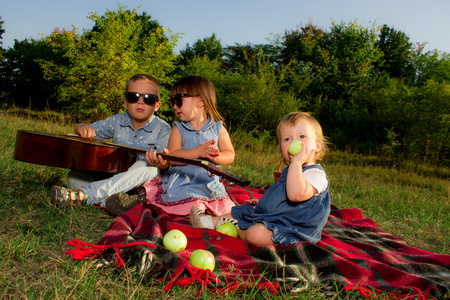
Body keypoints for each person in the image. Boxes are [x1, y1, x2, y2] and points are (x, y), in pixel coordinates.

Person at [190, 112, 330, 246]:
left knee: (255, 234)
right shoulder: (292, 170)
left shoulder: (316, 174)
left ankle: (237, 230)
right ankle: (210, 221)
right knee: (244, 210)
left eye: (302, 136)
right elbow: (282, 196)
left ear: (317, 145)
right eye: (287, 139)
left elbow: (295, 195)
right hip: (277, 216)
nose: (295, 143)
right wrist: (265, 202)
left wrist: (296, 163)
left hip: (293, 229)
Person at [51, 74, 171, 213]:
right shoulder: (117, 120)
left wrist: (161, 162)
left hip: (141, 185)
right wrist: (82, 127)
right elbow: (85, 128)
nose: (140, 102)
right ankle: (110, 202)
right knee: (74, 175)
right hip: (112, 178)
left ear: (157, 105)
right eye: (134, 97)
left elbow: (165, 164)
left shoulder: (163, 128)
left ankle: (85, 195)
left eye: (148, 98)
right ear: (126, 102)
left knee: (149, 167)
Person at [144, 75, 236, 217]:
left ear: (200, 101)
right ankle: (200, 218)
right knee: (192, 206)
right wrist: (198, 152)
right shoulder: (178, 129)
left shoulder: (218, 128)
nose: (174, 106)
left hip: (209, 183)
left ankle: (209, 218)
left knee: (228, 211)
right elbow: (173, 157)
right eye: (172, 102)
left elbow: (230, 154)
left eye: (178, 100)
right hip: (183, 183)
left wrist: (216, 156)